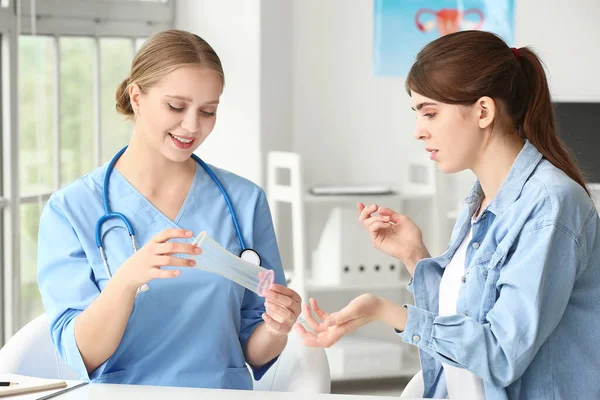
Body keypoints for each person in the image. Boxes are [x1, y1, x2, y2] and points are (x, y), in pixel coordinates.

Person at [296, 30, 600, 399]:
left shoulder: (550, 206)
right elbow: (465, 322)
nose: (418, 131)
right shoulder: (480, 202)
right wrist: (414, 255)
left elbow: (501, 354)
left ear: (483, 111)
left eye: (430, 113)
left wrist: (386, 311)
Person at [37, 29, 301, 390]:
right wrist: (128, 280)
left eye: (208, 111)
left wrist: (276, 327)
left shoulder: (244, 200)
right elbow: (81, 353)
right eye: (176, 107)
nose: (192, 126)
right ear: (137, 97)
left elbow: (254, 349)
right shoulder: (72, 210)